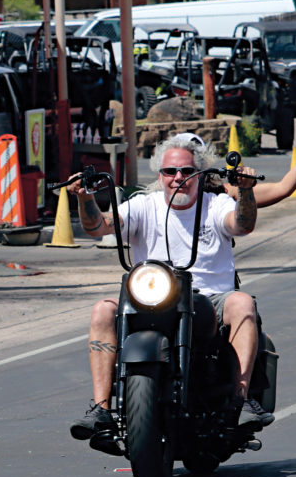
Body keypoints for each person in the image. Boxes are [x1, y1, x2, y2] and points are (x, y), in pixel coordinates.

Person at [69, 135, 271, 444]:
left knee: (243, 303)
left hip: (209, 299)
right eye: (169, 172)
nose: (178, 178)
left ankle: (242, 399)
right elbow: (100, 227)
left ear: (199, 174)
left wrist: (245, 190)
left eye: (187, 171)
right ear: (159, 175)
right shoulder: (143, 205)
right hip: (151, 297)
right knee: (103, 310)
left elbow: (241, 225)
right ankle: (101, 408)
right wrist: (85, 198)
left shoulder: (215, 204)